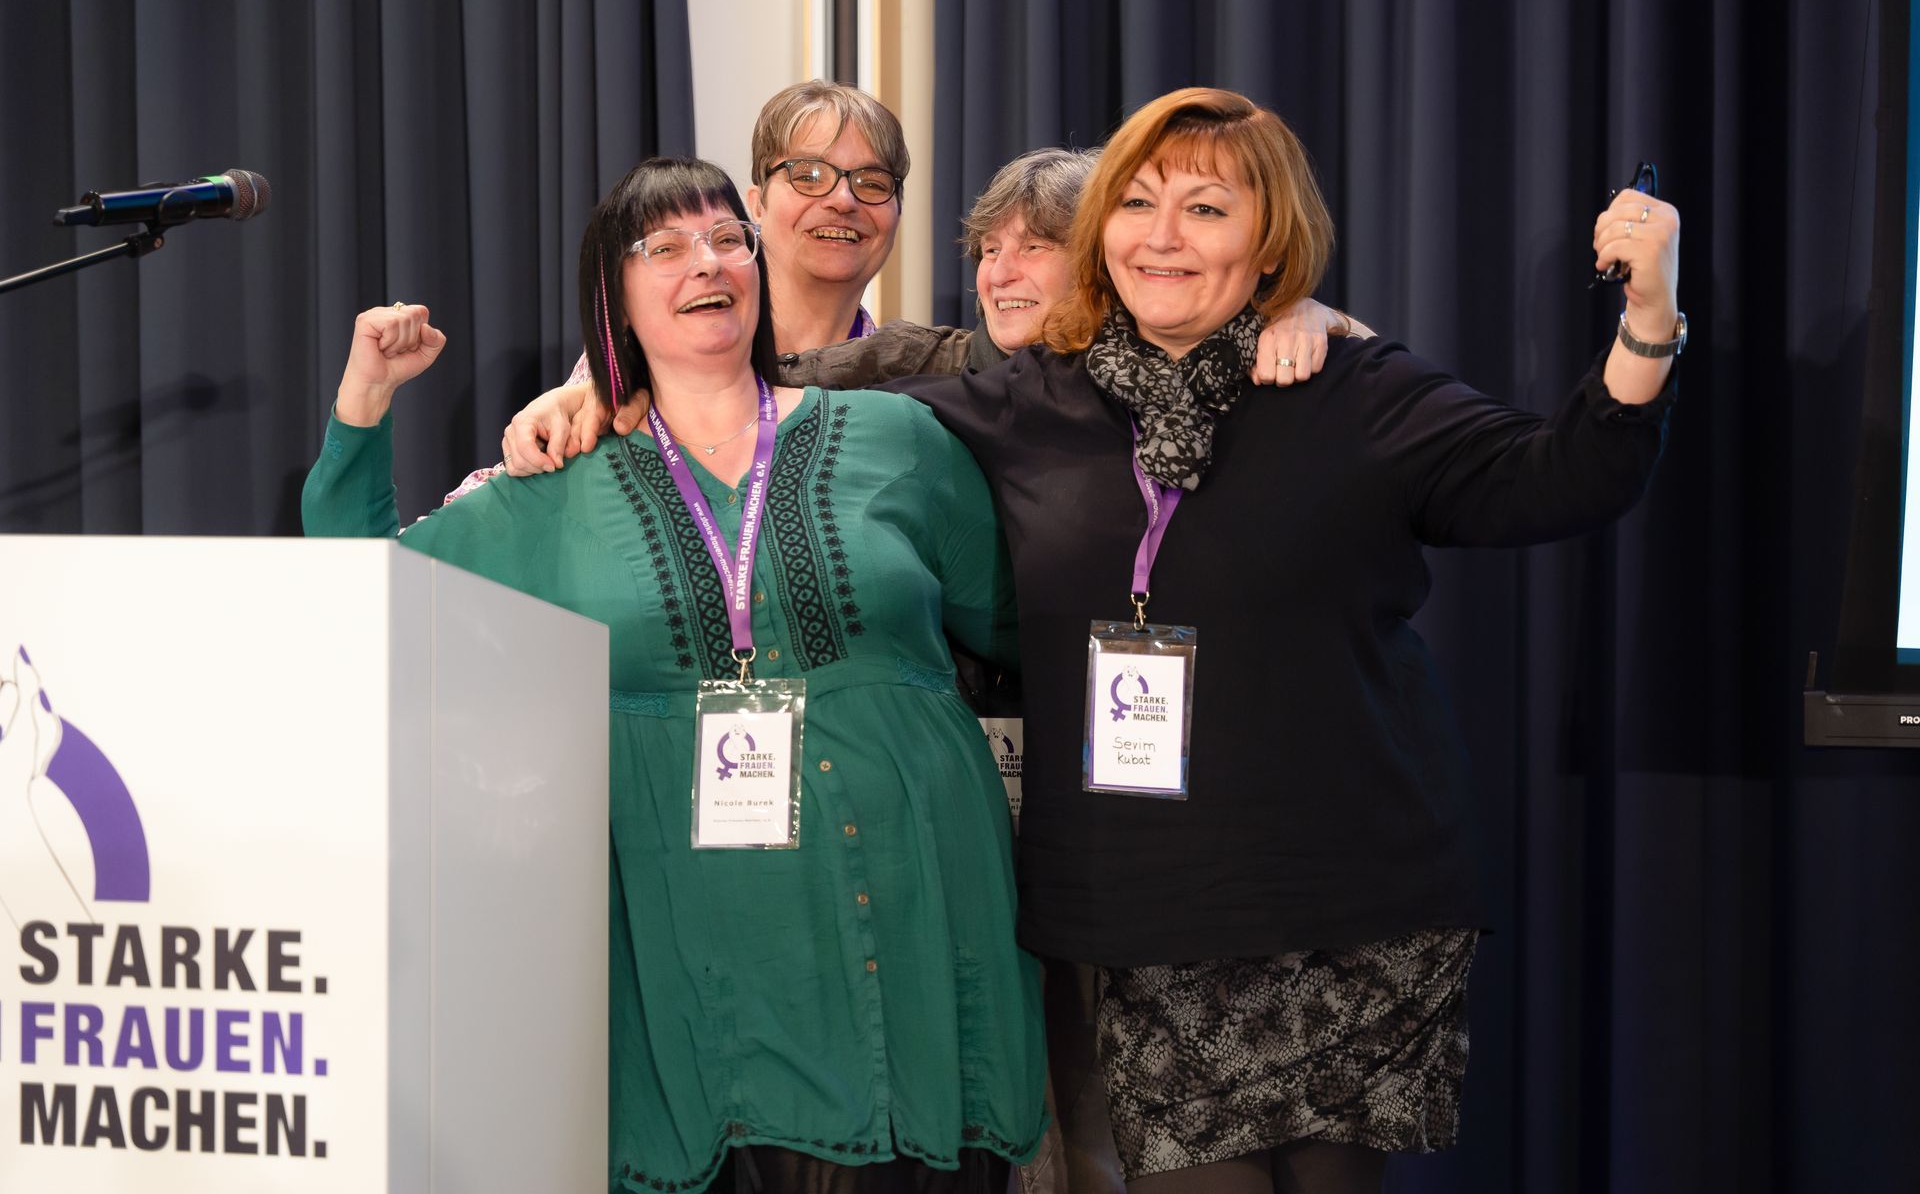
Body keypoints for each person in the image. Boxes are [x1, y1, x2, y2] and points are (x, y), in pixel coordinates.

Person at [895, 87, 1682, 1194]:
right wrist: (606, 386)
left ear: (1271, 248)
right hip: (1152, 914)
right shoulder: (1024, 402)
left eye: (1207, 209)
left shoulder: (1353, 389)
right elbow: (789, 405)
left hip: (1350, 906)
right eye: (1135, 202)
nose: (1161, 236)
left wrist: (1649, 315)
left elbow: (1565, 473)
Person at [303, 157, 1047, 1193]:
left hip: (920, 908)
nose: (707, 261)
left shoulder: (900, 437)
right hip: (696, 952)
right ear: (611, 294)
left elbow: (1028, 623)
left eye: (727, 237)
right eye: (666, 245)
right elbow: (364, 594)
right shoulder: (547, 489)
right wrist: (364, 408)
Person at [485, 92, 1359, 481]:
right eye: (810, 174)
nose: (843, 201)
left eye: (872, 183)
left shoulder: (925, 370)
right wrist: (604, 379)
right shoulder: (643, 371)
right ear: (757, 199)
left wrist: (1299, 309)